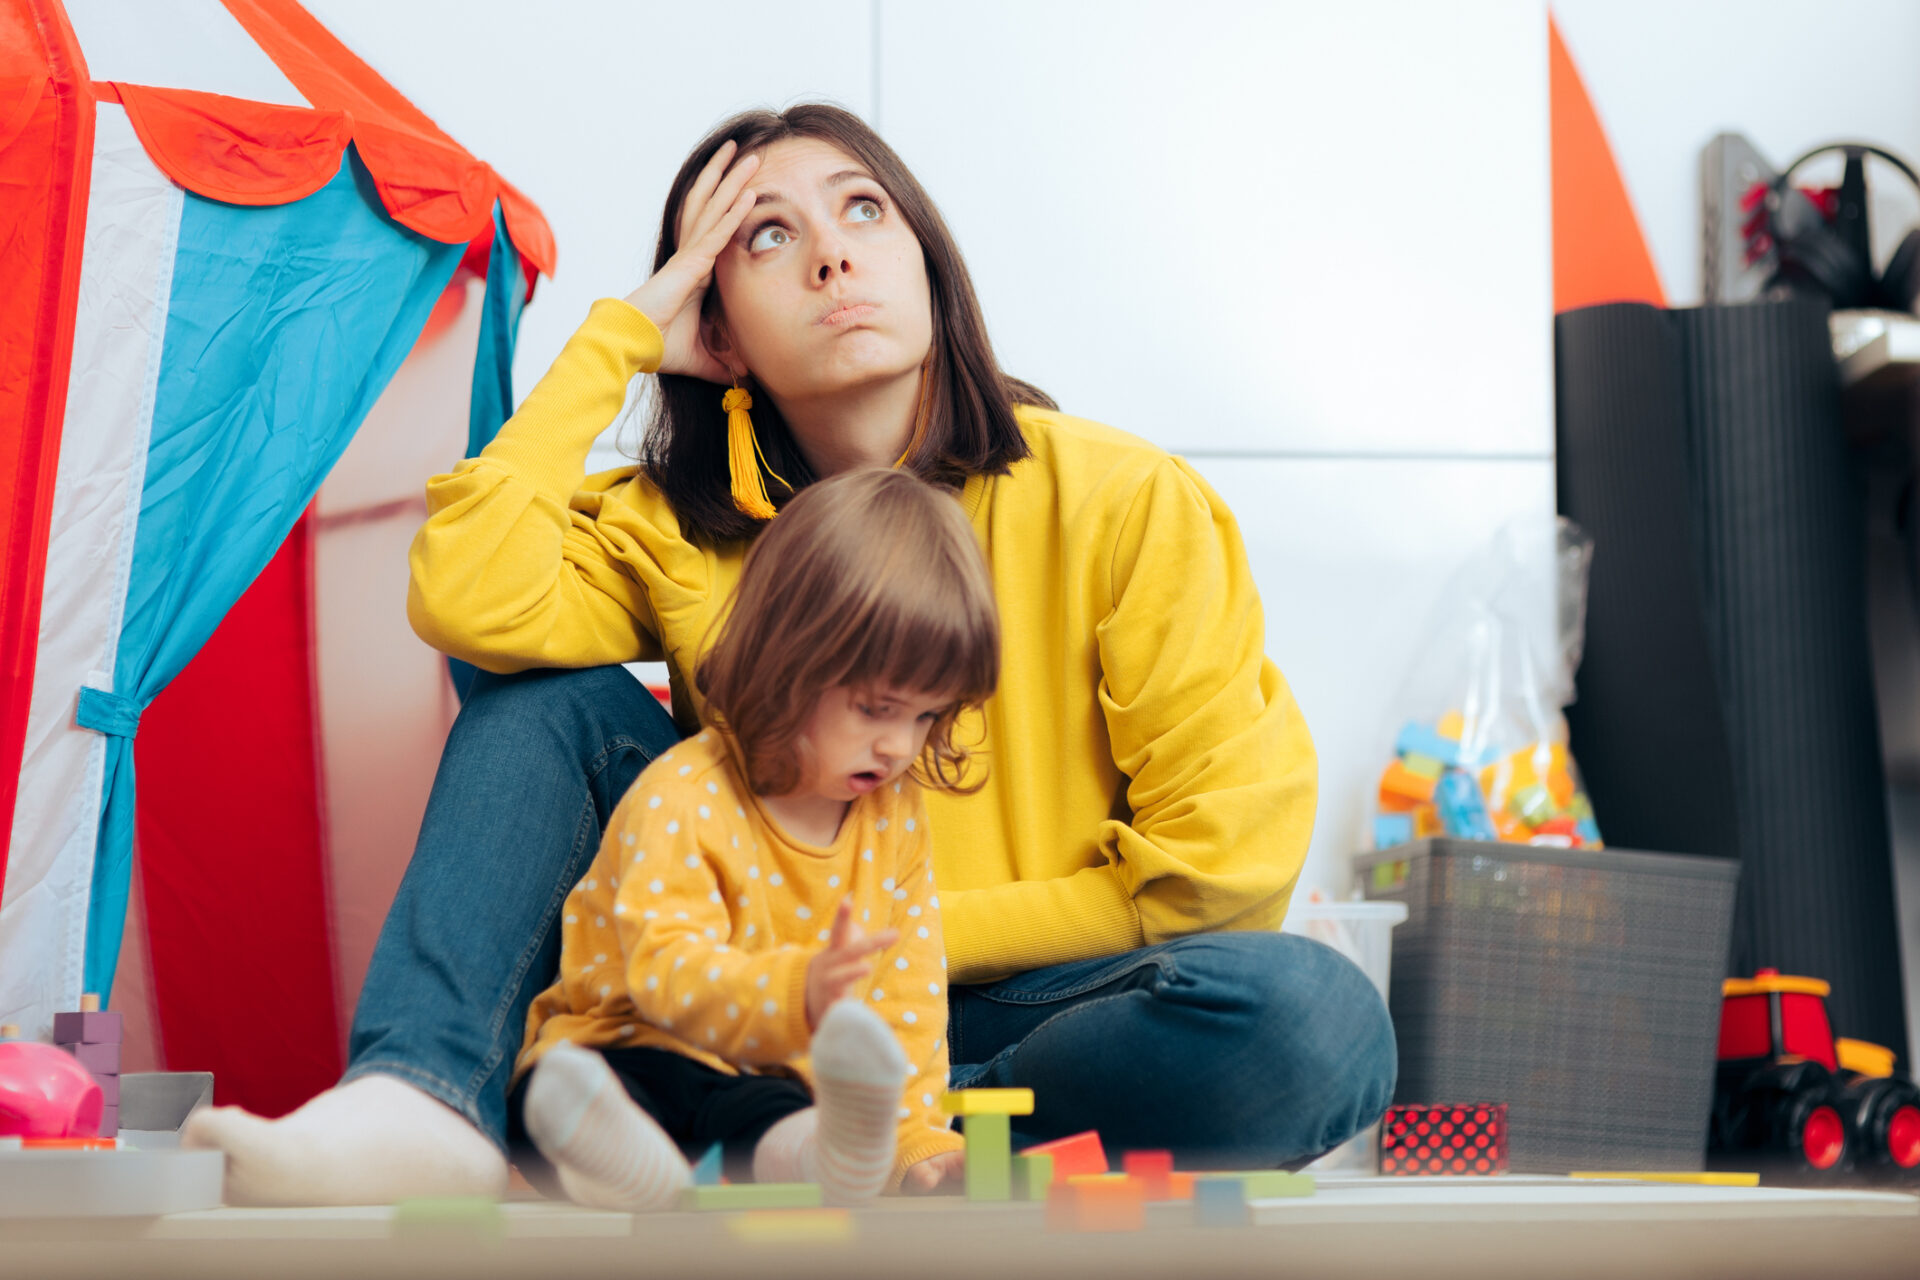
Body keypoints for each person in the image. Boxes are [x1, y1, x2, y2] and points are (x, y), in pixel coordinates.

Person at [184, 103, 1396, 1206]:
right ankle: (430, 1096)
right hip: (765, 1000)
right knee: (539, 701)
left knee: (1314, 1020)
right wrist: (618, 337)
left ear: (926, 257)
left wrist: (899, 950)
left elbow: (1221, 870)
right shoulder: (682, 524)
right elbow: (466, 596)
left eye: (863, 209)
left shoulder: (1121, 497)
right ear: (719, 325)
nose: (832, 254)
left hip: (1042, 1005)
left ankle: (831, 1137)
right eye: (767, 236)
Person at [511, 467, 992, 1210]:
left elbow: (909, 992)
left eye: (927, 718)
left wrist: (916, 1137)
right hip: (636, 1045)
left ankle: (834, 1160)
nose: (900, 746)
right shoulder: (685, 794)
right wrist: (799, 990)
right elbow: (664, 978)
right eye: (876, 709)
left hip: (766, 1084)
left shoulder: (891, 814)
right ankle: (631, 1166)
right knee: (558, 1088)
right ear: (788, 663)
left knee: (780, 1116)